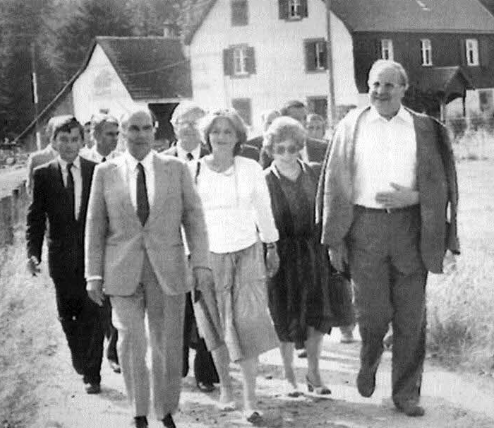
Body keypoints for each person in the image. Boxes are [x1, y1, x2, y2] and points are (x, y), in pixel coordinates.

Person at [316, 59, 459, 417]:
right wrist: (334, 239)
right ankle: (370, 357)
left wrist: (415, 197)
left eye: (389, 85)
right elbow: (332, 184)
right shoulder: (350, 126)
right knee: (373, 314)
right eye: (375, 85)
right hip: (364, 229)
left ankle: (406, 393)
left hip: (411, 229)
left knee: (411, 317)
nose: (380, 92)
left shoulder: (425, 128)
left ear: (404, 89)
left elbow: (444, 182)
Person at [85, 108, 212, 428]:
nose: (140, 135)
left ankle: (165, 410)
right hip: (122, 269)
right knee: (131, 340)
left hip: (167, 269)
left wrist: (201, 263)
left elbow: (194, 219)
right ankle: (138, 412)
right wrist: (93, 274)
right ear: (122, 132)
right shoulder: (106, 172)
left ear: (155, 131)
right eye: (132, 128)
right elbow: (95, 225)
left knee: (165, 342)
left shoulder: (176, 169)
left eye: (145, 128)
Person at [193, 108, 280, 424]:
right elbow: (189, 218)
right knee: (215, 325)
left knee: (248, 323)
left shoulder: (250, 168)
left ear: (238, 137)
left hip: (247, 253)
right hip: (209, 257)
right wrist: (191, 257)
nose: (221, 137)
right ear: (207, 136)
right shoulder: (193, 170)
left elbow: (263, 209)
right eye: (215, 131)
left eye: (228, 131)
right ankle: (227, 389)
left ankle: (250, 398)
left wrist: (271, 245)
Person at [26, 116, 104, 394]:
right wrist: (33, 253)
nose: (69, 145)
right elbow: (36, 217)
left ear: (83, 141)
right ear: (54, 142)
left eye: (74, 139)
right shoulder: (43, 175)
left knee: (93, 313)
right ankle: (78, 354)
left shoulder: (96, 171)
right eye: (63, 139)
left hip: (92, 256)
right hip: (61, 258)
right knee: (67, 314)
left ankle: (93, 374)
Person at [263, 116, 336, 397]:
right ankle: (289, 376)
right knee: (284, 314)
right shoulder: (264, 180)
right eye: (279, 149)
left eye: (292, 148)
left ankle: (314, 372)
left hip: (313, 251)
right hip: (279, 254)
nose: (286, 154)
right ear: (270, 149)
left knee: (317, 313)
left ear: (300, 146)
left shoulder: (315, 173)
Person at [163, 101, 219, 393]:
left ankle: (206, 371)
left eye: (194, 122)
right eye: (182, 122)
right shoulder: (161, 162)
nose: (188, 128)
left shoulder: (216, 160)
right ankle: (178, 365)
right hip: (171, 245)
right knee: (176, 307)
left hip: (207, 242)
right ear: (173, 128)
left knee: (208, 306)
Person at [80, 113, 121, 374]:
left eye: (117, 134)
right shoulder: (83, 162)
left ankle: (114, 349)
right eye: (109, 134)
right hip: (91, 239)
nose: (114, 139)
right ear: (95, 135)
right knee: (96, 300)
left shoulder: (122, 163)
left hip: (116, 240)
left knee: (117, 297)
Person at [260, 100, 326, 169]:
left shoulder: (322, 147)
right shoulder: (271, 150)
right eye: (296, 119)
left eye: (304, 118)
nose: (302, 122)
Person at [26, 116, 68, 193]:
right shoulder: (36, 159)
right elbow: (31, 190)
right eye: (57, 131)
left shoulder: (79, 157)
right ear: (49, 133)